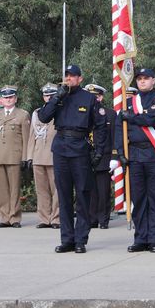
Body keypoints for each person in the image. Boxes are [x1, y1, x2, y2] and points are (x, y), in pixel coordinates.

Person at [38, 64, 107, 254]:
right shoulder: (58, 96)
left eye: (73, 76)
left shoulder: (89, 98)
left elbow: (101, 126)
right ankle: (67, 239)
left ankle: (81, 239)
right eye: (67, 75)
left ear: (80, 79)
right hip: (61, 147)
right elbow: (43, 117)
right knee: (64, 196)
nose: (69, 79)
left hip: (80, 148)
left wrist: (99, 151)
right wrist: (57, 98)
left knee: (83, 195)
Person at [112, 68, 155, 253]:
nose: (142, 81)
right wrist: (120, 152)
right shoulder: (128, 102)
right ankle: (141, 238)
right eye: (140, 79)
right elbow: (119, 129)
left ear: (154, 80)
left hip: (152, 154)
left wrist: (133, 117)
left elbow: (151, 119)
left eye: (146, 78)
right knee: (138, 199)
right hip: (134, 154)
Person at [0, 85, 30, 228]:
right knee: (2, 189)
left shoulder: (22, 115)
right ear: (1, 99)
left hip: (14, 156)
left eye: (11, 97)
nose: (8, 100)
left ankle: (14, 218)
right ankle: (4, 217)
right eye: (5, 97)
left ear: (15, 99)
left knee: (14, 188)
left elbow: (26, 138)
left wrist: (25, 158)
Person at [27, 83, 61, 229]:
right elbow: (31, 136)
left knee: (57, 190)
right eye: (46, 95)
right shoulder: (37, 113)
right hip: (38, 156)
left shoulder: (60, 111)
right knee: (41, 190)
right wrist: (29, 156)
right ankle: (44, 218)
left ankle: (56, 218)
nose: (49, 97)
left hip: (54, 155)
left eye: (52, 95)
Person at [85, 83, 114, 229]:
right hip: (86, 156)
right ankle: (92, 219)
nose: (92, 99)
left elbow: (114, 136)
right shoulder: (82, 111)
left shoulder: (109, 114)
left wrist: (114, 157)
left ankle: (103, 219)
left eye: (95, 96)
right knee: (89, 190)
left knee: (103, 191)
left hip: (104, 156)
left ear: (101, 97)